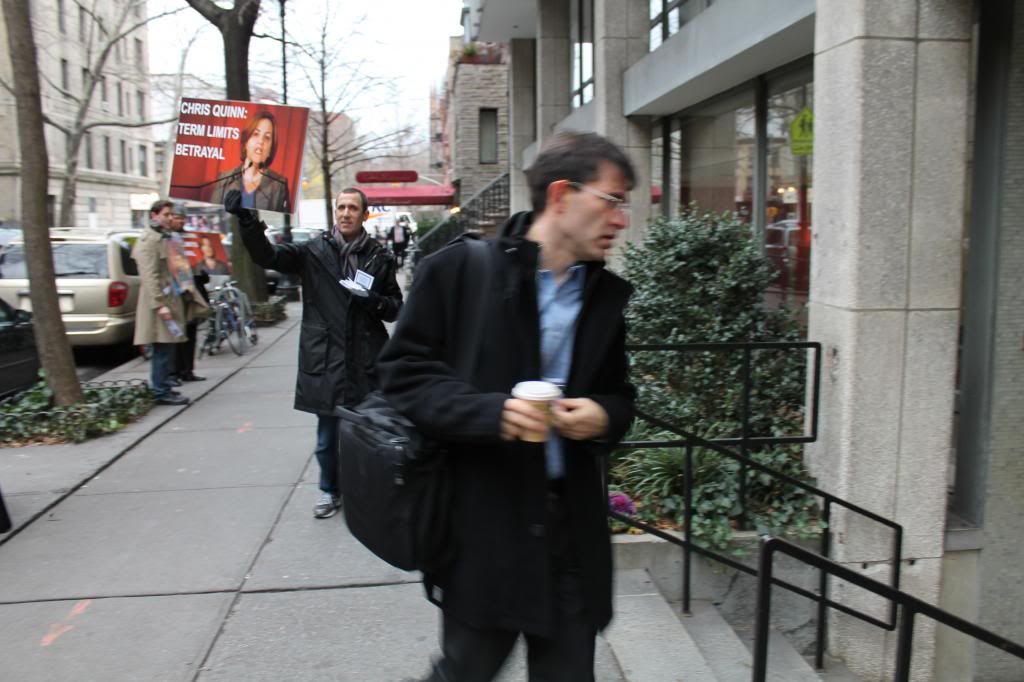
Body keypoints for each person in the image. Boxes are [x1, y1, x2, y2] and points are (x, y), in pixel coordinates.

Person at [378, 131, 637, 681]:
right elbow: (402, 374)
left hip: (570, 531)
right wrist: (493, 413)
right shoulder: (459, 271)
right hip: (484, 531)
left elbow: (620, 395)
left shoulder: (605, 299)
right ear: (562, 196)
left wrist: (604, 416)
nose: (622, 219)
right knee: (465, 672)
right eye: (613, 201)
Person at [225, 186, 403, 519]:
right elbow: (268, 256)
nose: (346, 213)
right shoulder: (314, 251)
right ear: (335, 213)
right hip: (326, 359)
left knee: (368, 433)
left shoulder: (379, 256)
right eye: (341, 207)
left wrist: (374, 302)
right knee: (326, 438)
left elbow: (395, 308)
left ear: (365, 214)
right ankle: (328, 491)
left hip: (366, 358)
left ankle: (366, 490)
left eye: (353, 208)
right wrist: (247, 220)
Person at [132, 200, 200, 405]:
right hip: (160, 302)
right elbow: (149, 275)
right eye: (166, 214)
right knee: (162, 346)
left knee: (169, 345)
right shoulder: (149, 240)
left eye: (172, 215)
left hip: (170, 298)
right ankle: (160, 390)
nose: (170, 218)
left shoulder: (165, 238)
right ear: (154, 215)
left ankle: (165, 386)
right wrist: (160, 304)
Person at [209, 110, 290, 213]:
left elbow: (281, 223)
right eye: (256, 134)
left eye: (267, 137)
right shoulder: (223, 179)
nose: (261, 141)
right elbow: (213, 216)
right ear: (246, 141)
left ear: (271, 149)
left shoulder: (279, 185)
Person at [168, 203, 208, 384]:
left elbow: (202, 267)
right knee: (177, 333)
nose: (180, 221)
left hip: (192, 290)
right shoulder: (167, 239)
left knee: (191, 331)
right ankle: (175, 372)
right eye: (177, 217)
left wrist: (202, 270)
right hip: (175, 292)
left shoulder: (192, 238)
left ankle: (187, 370)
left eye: (182, 218)